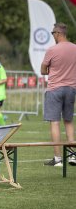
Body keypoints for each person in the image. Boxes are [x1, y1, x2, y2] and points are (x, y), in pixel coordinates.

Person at [41, 22, 76, 167]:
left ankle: (57, 159)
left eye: (52, 34)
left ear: (58, 33)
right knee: (68, 121)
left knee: (54, 122)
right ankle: (73, 156)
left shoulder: (52, 50)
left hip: (55, 88)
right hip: (71, 88)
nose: (52, 36)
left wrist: (53, 71)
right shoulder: (75, 48)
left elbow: (43, 70)